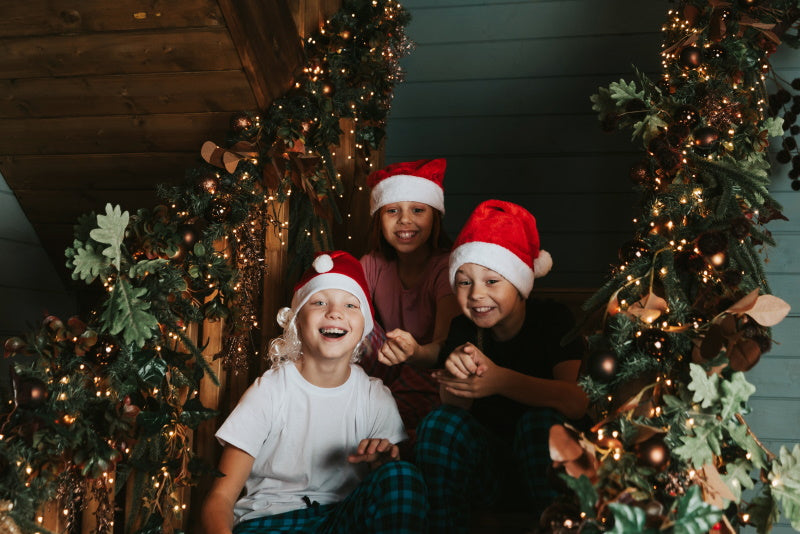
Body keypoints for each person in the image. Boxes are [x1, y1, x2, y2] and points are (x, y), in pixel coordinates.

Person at [201, 251, 428, 534]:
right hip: (270, 522)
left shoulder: (374, 397)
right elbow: (220, 498)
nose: (335, 312)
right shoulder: (270, 390)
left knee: (403, 476)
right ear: (297, 321)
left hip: (341, 519)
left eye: (350, 304)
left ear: (363, 327)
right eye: (319, 302)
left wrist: (383, 461)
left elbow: (393, 489)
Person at [414, 200, 588, 533]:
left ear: (519, 282)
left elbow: (576, 401)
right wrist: (456, 377)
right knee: (439, 422)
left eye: (492, 281)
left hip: (550, 468)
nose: (477, 294)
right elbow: (454, 409)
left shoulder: (553, 320)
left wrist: (499, 381)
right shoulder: (464, 330)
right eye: (464, 282)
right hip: (490, 470)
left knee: (539, 423)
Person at [359, 158, 461, 447]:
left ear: (435, 217)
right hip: (386, 372)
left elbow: (445, 346)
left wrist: (413, 353)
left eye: (418, 210)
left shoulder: (446, 268)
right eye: (393, 211)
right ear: (379, 217)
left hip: (434, 373)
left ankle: (406, 441)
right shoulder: (371, 265)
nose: (405, 220)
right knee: (352, 319)